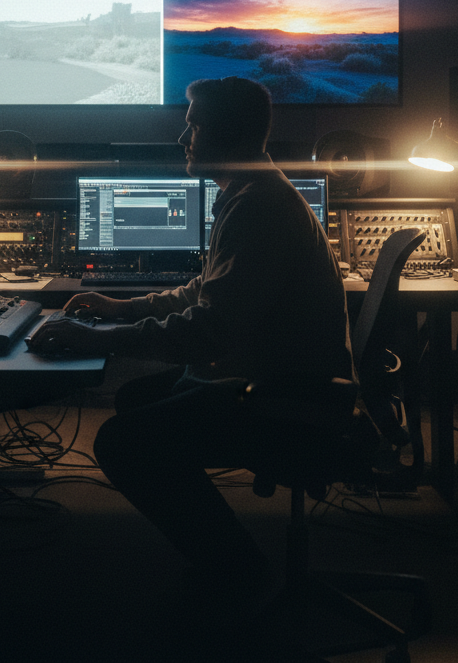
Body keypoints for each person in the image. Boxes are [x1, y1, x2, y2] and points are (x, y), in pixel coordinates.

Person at [30, 76, 352, 610]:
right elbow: (205, 292)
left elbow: (209, 331)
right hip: (270, 375)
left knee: (120, 441)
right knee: (138, 400)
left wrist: (99, 338)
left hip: (283, 396)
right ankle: (223, 554)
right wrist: (122, 308)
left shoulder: (258, 208)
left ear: (223, 134)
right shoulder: (251, 192)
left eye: (193, 125)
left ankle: (240, 573)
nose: (184, 137)